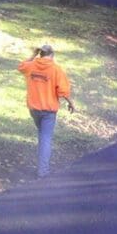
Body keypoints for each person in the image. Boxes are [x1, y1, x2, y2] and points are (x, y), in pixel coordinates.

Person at [18, 44, 75, 178]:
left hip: (34, 109)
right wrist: (71, 103)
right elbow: (63, 91)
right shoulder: (56, 69)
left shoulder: (31, 66)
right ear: (52, 55)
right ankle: (43, 172)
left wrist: (33, 55)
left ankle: (42, 164)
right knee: (45, 138)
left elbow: (21, 67)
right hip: (48, 111)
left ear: (40, 54)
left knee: (42, 135)